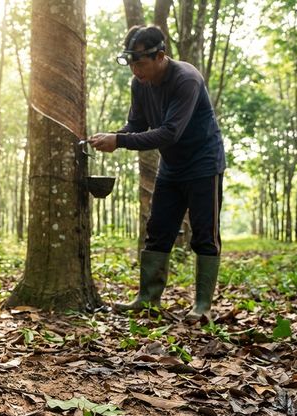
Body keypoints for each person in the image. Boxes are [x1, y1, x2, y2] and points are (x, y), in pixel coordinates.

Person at [88, 25, 226, 323]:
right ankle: (147, 299)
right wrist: (112, 136)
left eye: (140, 63)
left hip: (204, 165)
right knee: (158, 231)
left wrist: (120, 141)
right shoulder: (140, 84)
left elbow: (169, 133)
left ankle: (203, 306)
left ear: (160, 56)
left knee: (205, 235)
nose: (136, 71)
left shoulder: (186, 80)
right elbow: (136, 123)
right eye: (132, 64)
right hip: (172, 168)